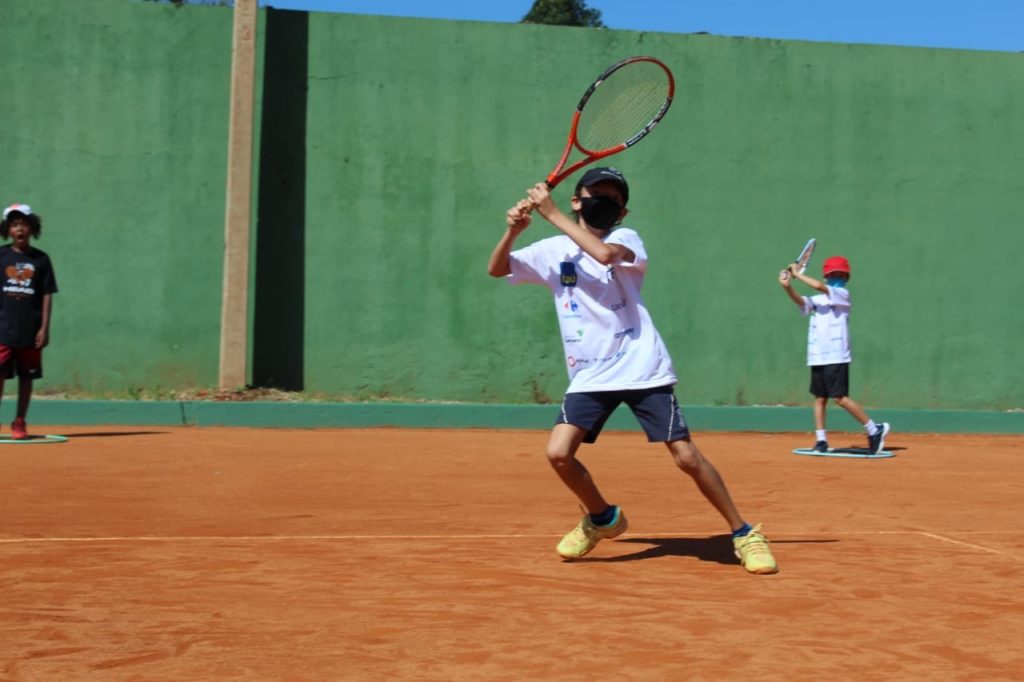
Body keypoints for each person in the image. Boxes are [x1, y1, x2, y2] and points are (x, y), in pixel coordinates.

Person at [488, 167, 777, 574]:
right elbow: (498, 269)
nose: (603, 202)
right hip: (590, 374)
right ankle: (603, 518)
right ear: (577, 199)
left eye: (613, 199)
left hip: (642, 367)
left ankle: (744, 533)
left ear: (622, 212)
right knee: (558, 453)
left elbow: (603, 256)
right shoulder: (553, 250)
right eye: (596, 194)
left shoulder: (625, 239)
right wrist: (514, 232)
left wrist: (551, 212)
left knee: (686, 457)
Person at [778, 255, 890, 454]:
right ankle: (821, 440)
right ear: (828, 275)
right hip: (817, 356)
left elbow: (820, 286)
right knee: (820, 397)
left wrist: (797, 274)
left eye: (841, 274)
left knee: (840, 398)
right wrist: (787, 286)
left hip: (837, 356)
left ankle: (875, 429)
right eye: (833, 274)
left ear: (846, 277)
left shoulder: (841, 294)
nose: (838, 277)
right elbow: (801, 302)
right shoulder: (817, 300)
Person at [0, 204, 58, 440]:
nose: (19, 229)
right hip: (3, 330)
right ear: (8, 230)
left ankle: (20, 421)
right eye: (14, 225)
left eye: (23, 224)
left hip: (31, 331)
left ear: (32, 228)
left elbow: (47, 295)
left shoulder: (41, 260)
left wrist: (44, 328)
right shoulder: (1, 256)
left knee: (26, 377)